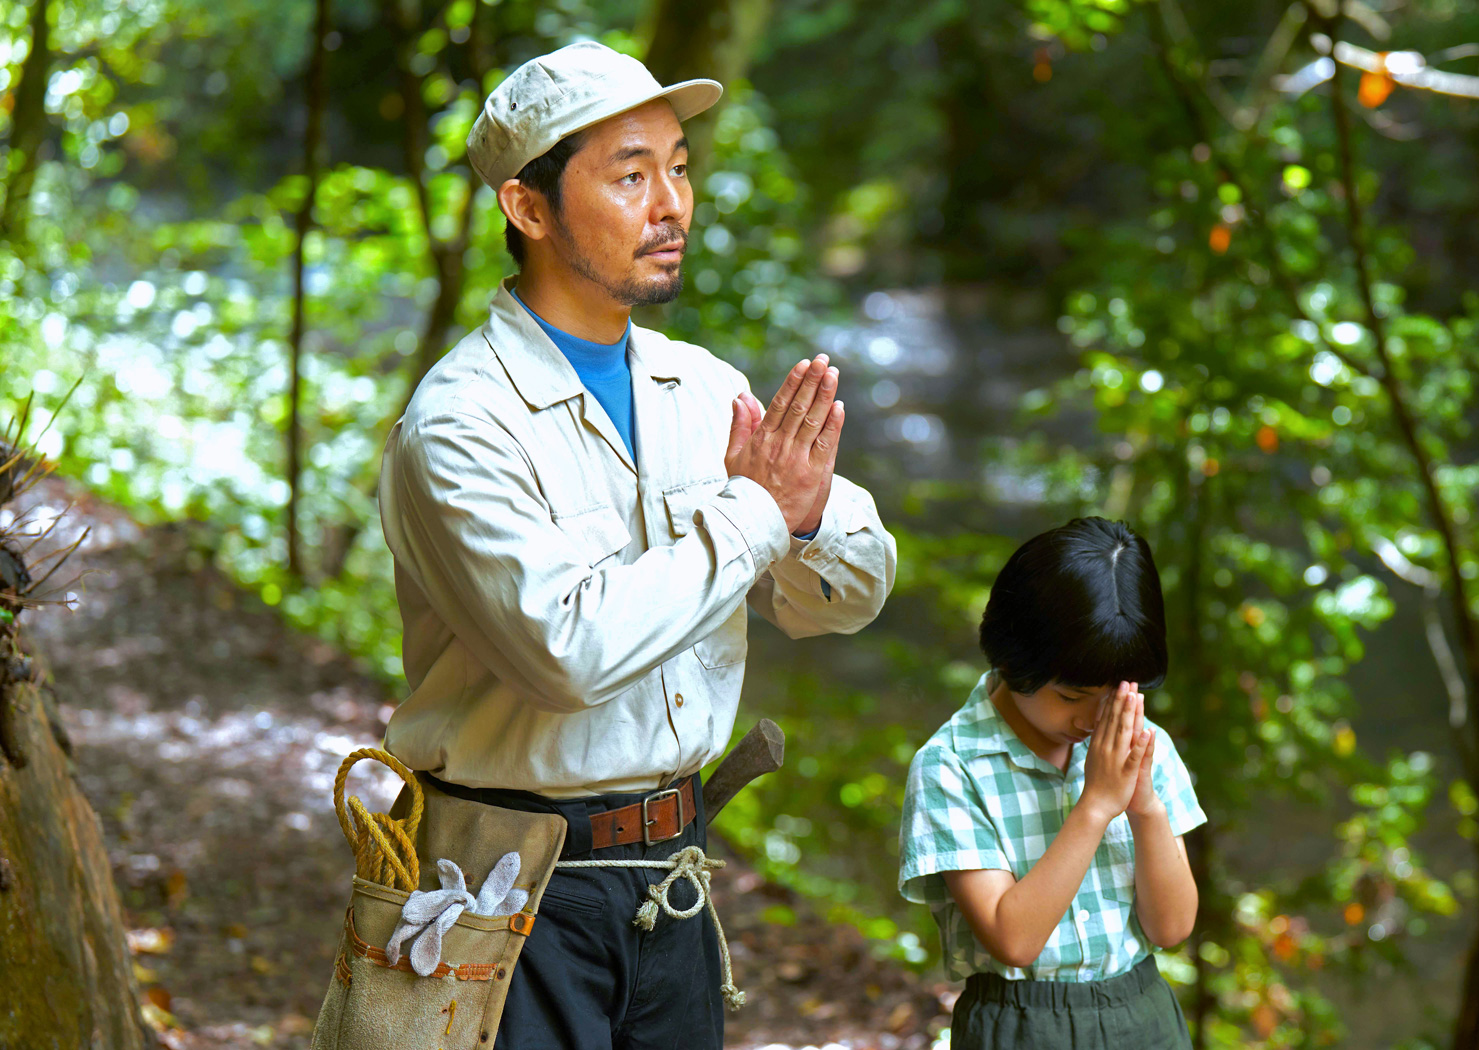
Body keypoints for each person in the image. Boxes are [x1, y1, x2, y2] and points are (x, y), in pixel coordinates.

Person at [375, 41, 897, 1050]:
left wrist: (800, 514)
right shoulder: (460, 425)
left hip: (675, 881)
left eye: (678, 166)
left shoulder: (698, 389)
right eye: (628, 175)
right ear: (528, 209)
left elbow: (847, 594)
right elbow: (567, 655)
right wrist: (753, 514)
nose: (671, 204)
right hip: (507, 890)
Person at [898, 517, 1203, 1050]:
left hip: (1145, 1015)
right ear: (1015, 657)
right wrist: (1095, 807)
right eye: (1071, 696)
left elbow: (1172, 927)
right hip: (1021, 1024)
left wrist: (1146, 808)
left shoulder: (1142, 743)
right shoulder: (952, 765)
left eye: (1114, 695)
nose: (1093, 718)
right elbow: (1013, 939)